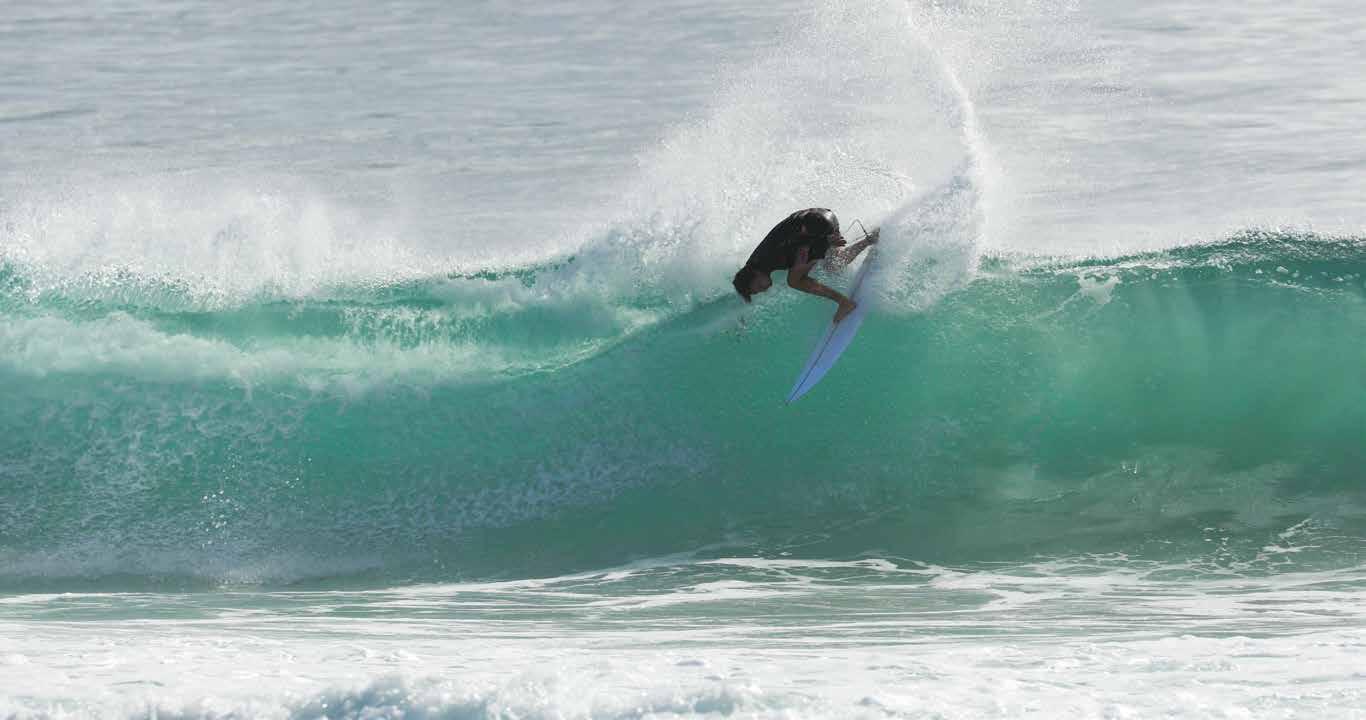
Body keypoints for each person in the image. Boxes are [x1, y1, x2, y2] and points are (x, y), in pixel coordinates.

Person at [731, 208, 878, 323]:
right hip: (822, 218)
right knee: (833, 263)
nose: (762, 290)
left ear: (755, 275)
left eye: (757, 288)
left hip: (817, 224)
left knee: (794, 281)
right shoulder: (758, 263)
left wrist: (825, 241)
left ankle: (844, 302)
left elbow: (795, 238)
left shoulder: (767, 258)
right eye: (758, 292)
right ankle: (872, 237)